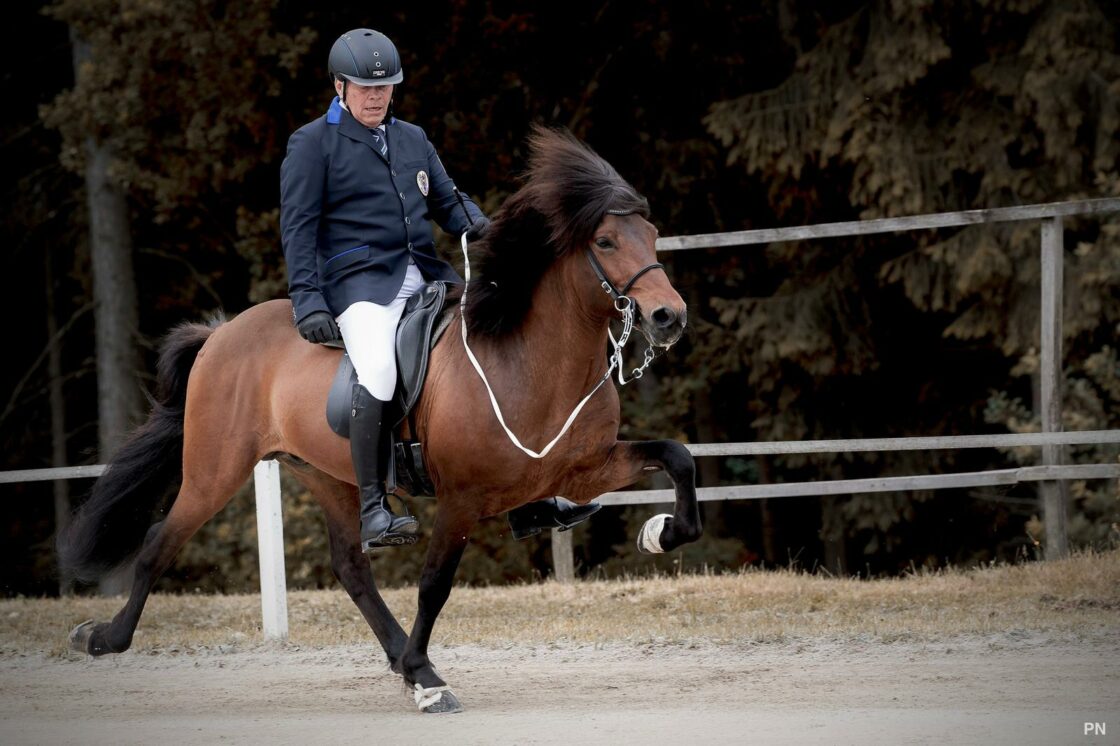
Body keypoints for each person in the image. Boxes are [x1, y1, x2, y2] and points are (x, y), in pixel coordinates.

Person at [280, 28, 600, 552]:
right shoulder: (312, 144)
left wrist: (490, 231)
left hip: (426, 274)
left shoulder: (412, 138)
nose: (376, 97)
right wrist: (308, 299)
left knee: (494, 348)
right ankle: (373, 507)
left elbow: (451, 202)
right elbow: (297, 227)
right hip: (357, 284)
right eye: (364, 87)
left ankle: (529, 499)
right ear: (339, 86)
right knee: (379, 368)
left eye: (385, 88)